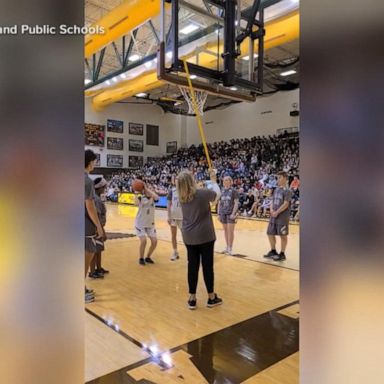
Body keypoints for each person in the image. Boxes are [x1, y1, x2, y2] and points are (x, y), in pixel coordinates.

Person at [177, 169, 223, 310]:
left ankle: (192, 298)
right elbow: (217, 196)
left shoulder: (181, 196)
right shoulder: (201, 193)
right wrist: (213, 180)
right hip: (205, 235)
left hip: (189, 236)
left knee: (192, 266)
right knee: (207, 266)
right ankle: (211, 297)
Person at [85, 150, 106, 303]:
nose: (95, 163)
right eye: (94, 161)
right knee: (86, 258)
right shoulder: (86, 181)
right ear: (90, 161)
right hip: (86, 225)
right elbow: (90, 206)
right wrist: (99, 226)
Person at [264, 171, 292, 261]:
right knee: (270, 233)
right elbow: (272, 200)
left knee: (283, 236)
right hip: (274, 215)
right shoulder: (276, 189)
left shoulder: (288, 191)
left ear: (284, 178)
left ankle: (282, 253)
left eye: (279, 178)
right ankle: (273, 250)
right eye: (277, 178)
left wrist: (277, 212)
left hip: (282, 217)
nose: (278, 180)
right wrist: (271, 209)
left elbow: (286, 204)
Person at [88, 177, 110, 278]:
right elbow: (96, 216)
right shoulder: (95, 199)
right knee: (94, 250)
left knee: (99, 249)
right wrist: (102, 230)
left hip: (98, 227)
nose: (105, 189)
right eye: (104, 187)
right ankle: (92, 272)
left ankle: (99, 268)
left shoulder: (97, 197)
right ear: (100, 188)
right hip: (96, 228)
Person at [134, 182, 159, 265]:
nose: (149, 190)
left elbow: (156, 197)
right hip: (140, 223)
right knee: (144, 241)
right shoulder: (141, 197)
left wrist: (147, 189)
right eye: (146, 189)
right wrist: (137, 192)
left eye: (150, 189)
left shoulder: (153, 198)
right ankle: (141, 258)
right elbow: (136, 203)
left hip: (150, 224)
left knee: (154, 241)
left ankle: (148, 257)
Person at [217, 176, 239, 255]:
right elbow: (219, 203)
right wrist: (218, 213)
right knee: (226, 231)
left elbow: (236, 203)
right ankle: (227, 247)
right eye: (224, 180)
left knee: (230, 231)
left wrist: (233, 213)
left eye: (227, 180)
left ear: (230, 181)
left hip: (230, 213)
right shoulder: (222, 191)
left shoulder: (234, 191)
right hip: (223, 213)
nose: (225, 181)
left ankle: (230, 248)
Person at [167, 175, 183, 261]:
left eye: (178, 179)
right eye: (175, 179)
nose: (176, 181)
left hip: (183, 217)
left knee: (186, 236)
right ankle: (175, 252)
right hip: (173, 216)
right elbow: (168, 205)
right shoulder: (172, 191)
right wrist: (168, 216)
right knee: (173, 235)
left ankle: (191, 252)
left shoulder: (185, 190)